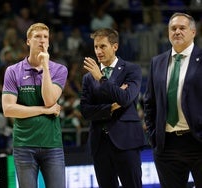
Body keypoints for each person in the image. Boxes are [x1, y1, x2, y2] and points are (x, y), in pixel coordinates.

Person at [2, 23, 68, 188]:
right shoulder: (13, 71)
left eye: (45, 37)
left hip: (52, 145)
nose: (42, 41)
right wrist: (45, 111)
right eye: (37, 36)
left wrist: (45, 66)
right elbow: (8, 109)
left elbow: (49, 100)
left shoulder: (59, 69)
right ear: (28, 41)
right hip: (24, 145)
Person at [80, 28, 145, 188]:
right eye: (96, 47)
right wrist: (111, 107)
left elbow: (125, 98)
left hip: (127, 141)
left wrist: (101, 79)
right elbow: (86, 111)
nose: (98, 51)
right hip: (100, 144)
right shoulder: (88, 77)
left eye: (103, 46)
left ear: (114, 46)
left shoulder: (132, 69)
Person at [144, 12, 202, 188]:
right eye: (173, 28)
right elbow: (149, 102)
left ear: (193, 32)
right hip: (167, 145)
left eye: (182, 28)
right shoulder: (157, 62)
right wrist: (154, 137)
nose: (177, 31)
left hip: (198, 141)